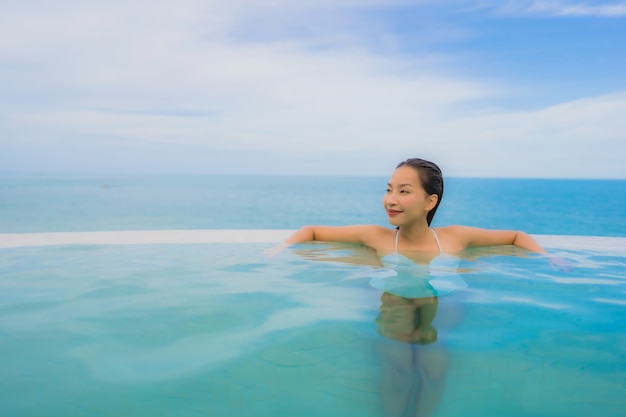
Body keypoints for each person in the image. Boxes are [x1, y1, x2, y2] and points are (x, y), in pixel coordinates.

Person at [280, 158, 548, 260]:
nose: (391, 199)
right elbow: (311, 231)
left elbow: (516, 237)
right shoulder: (376, 237)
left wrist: (550, 259)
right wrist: (278, 251)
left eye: (404, 191)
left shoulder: (455, 237)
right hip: (392, 324)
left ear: (430, 202)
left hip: (439, 326)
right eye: (388, 189)